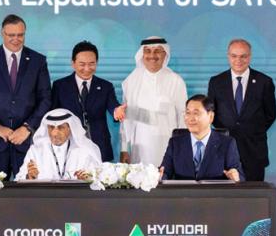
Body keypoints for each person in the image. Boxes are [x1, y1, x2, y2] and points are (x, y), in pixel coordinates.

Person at [0, 14, 51, 177]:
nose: (16, 39)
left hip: (27, 141)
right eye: (11, 35)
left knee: (30, 190)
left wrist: (27, 128)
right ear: (2, 33)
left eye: (20, 35)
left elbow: (46, 98)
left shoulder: (38, 61)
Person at [207, 38, 276, 181]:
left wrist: (252, 130)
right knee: (225, 194)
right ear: (228, 56)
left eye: (243, 56)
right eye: (234, 56)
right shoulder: (216, 82)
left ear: (249, 57)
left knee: (254, 193)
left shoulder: (264, 82)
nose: (238, 60)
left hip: (254, 151)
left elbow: (270, 115)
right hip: (224, 150)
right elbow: (211, 114)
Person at [51, 41, 126, 162]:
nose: (87, 69)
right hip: (70, 144)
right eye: (82, 64)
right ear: (73, 64)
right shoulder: (60, 86)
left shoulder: (106, 86)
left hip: (99, 145)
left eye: (92, 64)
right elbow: (53, 115)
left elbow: (113, 105)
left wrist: (117, 111)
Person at [119, 36, 188, 167]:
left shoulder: (176, 81)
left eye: (157, 51)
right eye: (148, 51)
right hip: (140, 147)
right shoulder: (131, 82)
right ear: (142, 54)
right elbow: (125, 118)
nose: (152, 55)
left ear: (165, 54)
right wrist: (124, 149)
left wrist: (182, 148)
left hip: (168, 146)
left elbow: (183, 117)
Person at [160, 95, 244, 181]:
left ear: (211, 117)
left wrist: (236, 177)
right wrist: (159, 176)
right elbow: (164, 172)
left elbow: (240, 177)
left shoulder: (227, 144)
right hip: (183, 190)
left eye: (196, 113)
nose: (190, 118)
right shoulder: (175, 143)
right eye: (188, 113)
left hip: (213, 190)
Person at [16, 109, 102, 181]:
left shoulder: (85, 151)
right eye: (51, 127)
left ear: (70, 128)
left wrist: (87, 178)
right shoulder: (35, 151)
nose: (54, 133)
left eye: (61, 128)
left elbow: (98, 179)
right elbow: (19, 179)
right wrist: (29, 177)